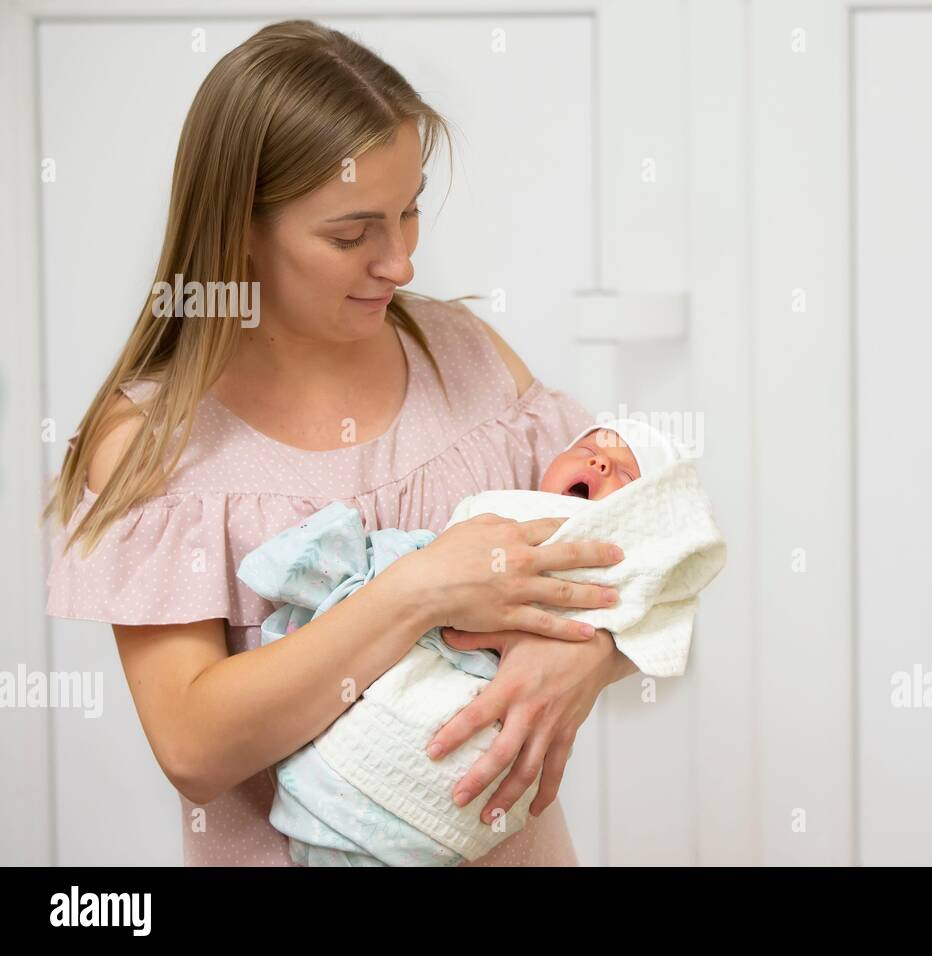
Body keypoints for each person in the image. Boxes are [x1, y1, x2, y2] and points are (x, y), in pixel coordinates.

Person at [43, 19, 638, 866]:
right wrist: (418, 592)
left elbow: (640, 556)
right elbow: (194, 748)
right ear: (240, 229)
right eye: (352, 235)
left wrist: (592, 663)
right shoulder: (154, 443)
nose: (399, 262)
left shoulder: (467, 359)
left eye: (411, 210)